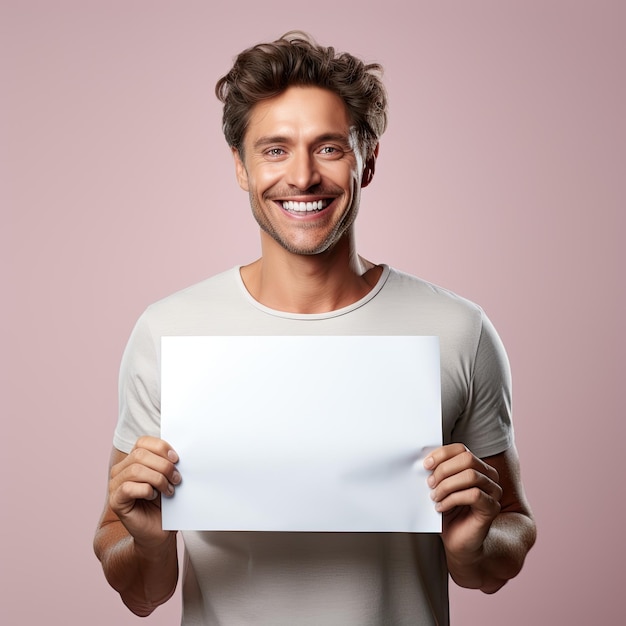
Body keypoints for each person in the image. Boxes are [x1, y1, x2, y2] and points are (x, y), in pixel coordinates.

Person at [94, 31, 536, 625]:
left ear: (368, 159)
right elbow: (143, 593)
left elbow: (501, 545)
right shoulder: (168, 331)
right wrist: (149, 542)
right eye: (274, 150)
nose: (301, 177)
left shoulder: (457, 329)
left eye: (328, 148)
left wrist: (474, 543)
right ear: (241, 168)